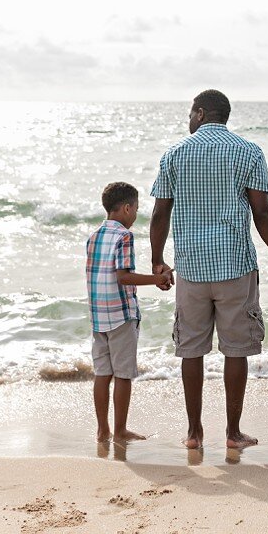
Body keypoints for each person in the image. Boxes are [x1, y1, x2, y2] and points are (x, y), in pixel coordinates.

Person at [148, 89, 268, 450]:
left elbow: (159, 214)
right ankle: (232, 433)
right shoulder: (249, 151)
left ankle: (194, 433)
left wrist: (157, 261)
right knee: (236, 350)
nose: (188, 120)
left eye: (190, 113)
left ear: (200, 113)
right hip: (234, 265)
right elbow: (261, 212)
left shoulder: (175, 155)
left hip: (191, 267)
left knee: (191, 350)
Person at [86, 181, 171, 443]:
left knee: (103, 373)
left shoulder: (94, 235)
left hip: (98, 315)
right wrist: (156, 280)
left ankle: (103, 430)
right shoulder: (124, 236)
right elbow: (124, 277)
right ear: (125, 208)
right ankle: (120, 430)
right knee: (123, 374)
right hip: (121, 314)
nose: (135, 214)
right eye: (135, 209)